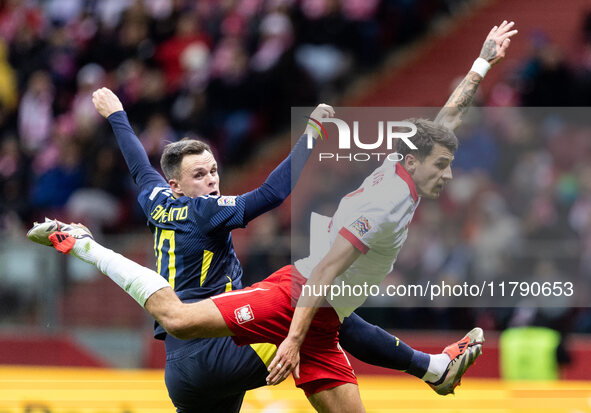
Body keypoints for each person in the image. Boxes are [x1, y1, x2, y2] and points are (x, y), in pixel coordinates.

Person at [27, 20, 517, 412]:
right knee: (299, 310)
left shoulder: (157, 197)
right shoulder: (206, 212)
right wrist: (310, 135)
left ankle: (432, 369)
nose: (214, 180)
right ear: (179, 184)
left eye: (215, 170)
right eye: (202, 173)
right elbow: (273, 197)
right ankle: (85, 245)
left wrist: (116, 115)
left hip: (189, 372)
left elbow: (138, 165)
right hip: (222, 341)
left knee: (326, 320)